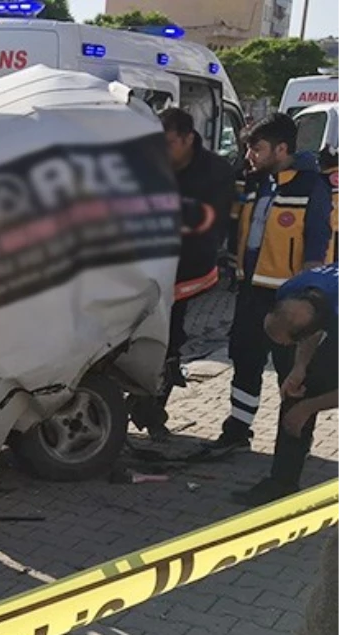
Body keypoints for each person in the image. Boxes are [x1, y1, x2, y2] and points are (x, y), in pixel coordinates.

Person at [202, 113, 334, 460]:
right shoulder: (256, 182)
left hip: (289, 300)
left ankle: (289, 450)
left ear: (281, 148)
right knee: (245, 359)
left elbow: (317, 245)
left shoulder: (311, 187)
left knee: (291, 375)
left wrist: (308, 301)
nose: (249, 156)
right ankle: (236, 431)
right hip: (251, 292)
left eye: (256, 149)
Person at [129, 108, 236, 442]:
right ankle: (140, 403)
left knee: (169, 343)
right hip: (142, 269)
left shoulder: (215, 172)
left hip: (186, 271)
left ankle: (151, 410)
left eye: (169, 142)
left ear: (189, 138)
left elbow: (210, 225)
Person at [234, 263, 339, 505]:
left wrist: (308, 408)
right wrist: (299, 367)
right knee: (298, 391)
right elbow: (312, 329)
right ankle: (282, 483)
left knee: (306, 401)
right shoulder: (291, 289)